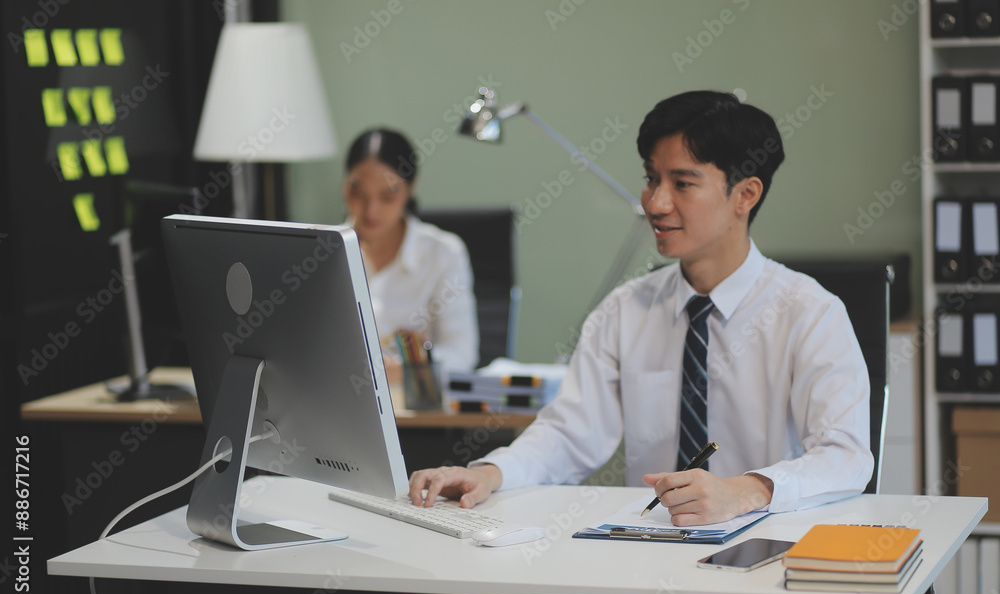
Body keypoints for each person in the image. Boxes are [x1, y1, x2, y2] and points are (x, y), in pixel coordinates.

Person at [408, 90, 873, 525]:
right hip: (649, 551)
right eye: (652, 179)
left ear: (745, 194)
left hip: (766, 550)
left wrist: (748, 490)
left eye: (682, 183)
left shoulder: (810, 313)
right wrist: (491, 472)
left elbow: (846, 456)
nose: (655, 202)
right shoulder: (625, 311)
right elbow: (570, 433)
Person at [343, 128, 479, 373]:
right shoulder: (322, 252)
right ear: (345, 186)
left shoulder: (444, 254)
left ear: (409, 189)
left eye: (387, 196)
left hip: (415, 402)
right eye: (358, 194)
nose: (371, 210)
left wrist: (408, 365)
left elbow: (461, 354)